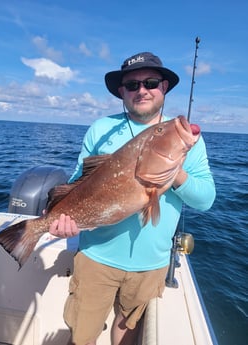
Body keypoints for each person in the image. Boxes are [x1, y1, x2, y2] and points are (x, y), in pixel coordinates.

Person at [49, 52, 216, 345]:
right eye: (132, 85)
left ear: (164, 87)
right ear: (121, 92)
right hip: (95, 258)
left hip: (150, 264)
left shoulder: (187, 139)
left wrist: (173, 173)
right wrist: (60, 219)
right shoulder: (100, 129)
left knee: (127, 330)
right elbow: (77, 183)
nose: (142, 90)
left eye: (150, 82)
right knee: (82, 335)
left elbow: (205, 200)